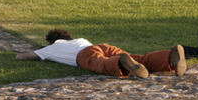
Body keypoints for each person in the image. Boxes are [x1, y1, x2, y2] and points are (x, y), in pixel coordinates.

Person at [16, 28, 186, 78]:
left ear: (52, 40)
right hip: (101, 46)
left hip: (84, 55)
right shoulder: (79, 39)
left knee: (99, 63)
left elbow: (25, 56)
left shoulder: (51, 47)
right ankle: (169, 57)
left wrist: (20, 54)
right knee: (139, 58)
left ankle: (121, 63)